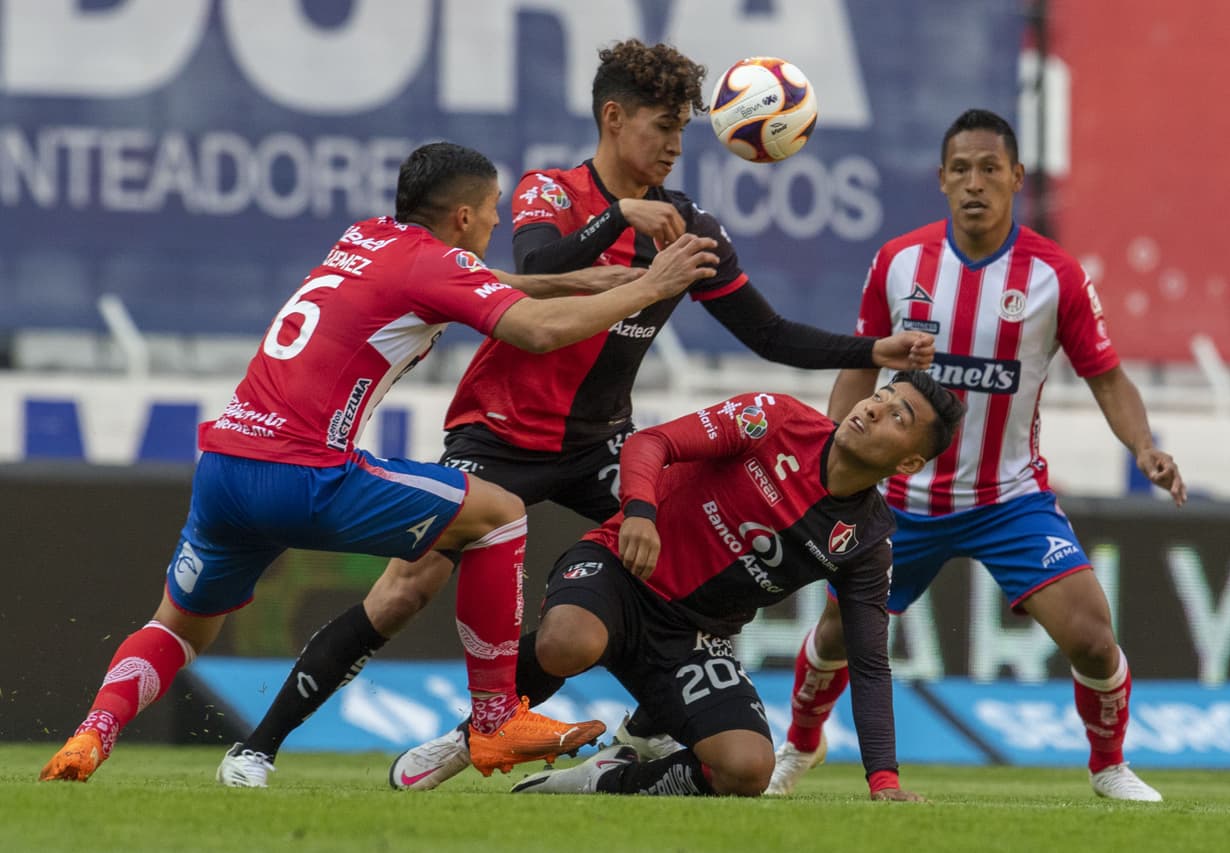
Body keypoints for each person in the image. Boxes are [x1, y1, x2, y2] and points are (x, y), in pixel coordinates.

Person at [218, 38, 933, 788]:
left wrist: (875, 347)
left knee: (696, 564)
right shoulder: (549, 192)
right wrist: (620, 215)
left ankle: (642, 726)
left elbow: (770, 334)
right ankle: (259, 744)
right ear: (615, 117)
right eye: (662, 126)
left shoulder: (692, 230)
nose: (675, 147)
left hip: (599, 444)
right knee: (406, 586)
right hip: (496, 435)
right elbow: (536, 271)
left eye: (685, 130)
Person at [38, 141, 724, 784]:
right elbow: (536, 331)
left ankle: (94, 731)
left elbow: (475, 279)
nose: (495, 223)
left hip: (225, 465)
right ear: (462, 215)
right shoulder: (435, 262)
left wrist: (570, 278)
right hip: (306, 471)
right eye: (490, 213)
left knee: (176, 626)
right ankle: (495, 721)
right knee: (499, 516)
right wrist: (647, 285)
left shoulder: (365, 237)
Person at [762, 109, 1187, 801]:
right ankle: (801, 745)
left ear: (1017, 178)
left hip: (1008, 498)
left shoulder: (1056, 276)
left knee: (1089, 635)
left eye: (990, 168)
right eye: (960, 169)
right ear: (940, 179)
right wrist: (825, 459)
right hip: (899, 500)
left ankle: (1108, 765)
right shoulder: (900, 262)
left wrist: (1145, 447)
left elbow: (1106, 376)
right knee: (838, 632)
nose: (974, 183)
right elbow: (859, 365)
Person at [441, 373, 964, 798]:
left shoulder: (868, 542)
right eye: (881, 396)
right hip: (623, 571)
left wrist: (884, 781)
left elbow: (869, 661)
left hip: (691, 637)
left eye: (898, 416)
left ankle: (607, 779)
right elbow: (652, 441)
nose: (873, 408)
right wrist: (639, 512)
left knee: (747, 771)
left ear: (910, 462)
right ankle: (473, 735)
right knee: (567, 643)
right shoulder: (774, 417)